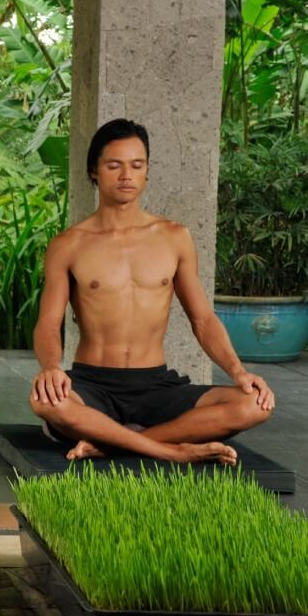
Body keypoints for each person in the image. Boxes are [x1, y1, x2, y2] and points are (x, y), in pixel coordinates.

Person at [30, 118, 274, 464]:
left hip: (157, 385)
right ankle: (170, 451)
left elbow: (202, 319)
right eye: (114, 165)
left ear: (147, 171)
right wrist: (51, 367)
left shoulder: (175, 238)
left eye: (136, 165)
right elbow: (47, 323)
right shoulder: (68, 245)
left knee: (253, 404)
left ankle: (110, 443)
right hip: (92, 384)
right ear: (94, 171)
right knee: (46, 401)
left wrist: (239, 372)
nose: (126, 175)